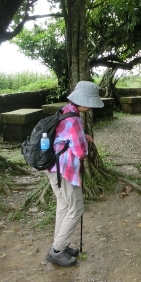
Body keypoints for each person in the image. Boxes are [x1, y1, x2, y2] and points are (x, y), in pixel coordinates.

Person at [45, 80, 104, 267]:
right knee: (76, 208)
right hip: (66, 171)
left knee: (63, 205)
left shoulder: (65, 111)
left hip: (53, 168)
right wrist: (84, 142)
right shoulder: (75, 120)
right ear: (85, 101)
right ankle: (56, 251)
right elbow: (81, 152)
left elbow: (65, 137)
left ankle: (60, 245)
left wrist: (80, 137)